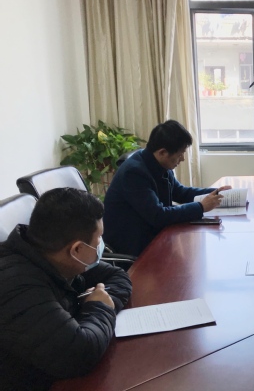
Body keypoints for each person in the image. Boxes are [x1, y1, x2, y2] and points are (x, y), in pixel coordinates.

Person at [0, 188, 132, 390]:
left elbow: (118, 277)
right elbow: (80, 354)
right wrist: (100, 306)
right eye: (98, 239)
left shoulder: (53, 253)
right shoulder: (16, 286)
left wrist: (101, 302)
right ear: (77, 249)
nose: (101, 246)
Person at [103, 120, 230, 257]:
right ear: (162, 152)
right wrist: (201, 207)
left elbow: (180, 192)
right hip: (133, 246)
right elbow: (158, 216)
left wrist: (215, 192)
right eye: (180, 154)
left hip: (153, 236)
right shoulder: (134, 173)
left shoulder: (157, 162)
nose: (182, 159)